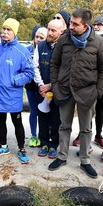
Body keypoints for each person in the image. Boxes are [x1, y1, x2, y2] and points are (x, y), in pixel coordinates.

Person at [48, 8, 103, 179]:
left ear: (85, 25)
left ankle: (85, 160)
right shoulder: (64, 40)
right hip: (65, 90)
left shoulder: (98, 43)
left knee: (86, 129)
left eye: (75, 24)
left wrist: (98, 92)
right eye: (70, 23)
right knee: (64, 126)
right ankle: (62, 157)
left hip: (88, 92)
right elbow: (54, 63)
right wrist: (56, 85)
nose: (71, 26)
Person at [73, 14, 103, 158]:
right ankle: (86, 143)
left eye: (99, 24)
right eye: (94, 24)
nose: (96, 26)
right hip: (90, 85)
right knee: (89, 116)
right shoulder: (89, 38)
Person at [0, 18, 34, 164]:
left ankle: (21, 148)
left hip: (12, 95)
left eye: (9, 30)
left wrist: (14, 80)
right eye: (4, 29)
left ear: (15, 32)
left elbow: (29, 73)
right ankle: (3, 146)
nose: (5, 32)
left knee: (17, 123)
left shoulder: (21, 51)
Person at [33, 19, 64, 158]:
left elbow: (65, 70)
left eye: (53, 30)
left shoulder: (64, 47)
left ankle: (53, 145)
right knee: (42, 117)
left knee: (55, 119)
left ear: (61, 32)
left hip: (57, 90)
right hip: (42, 90)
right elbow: (35, 66)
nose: (49, 33)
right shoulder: (40, 46)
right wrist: (41, 85)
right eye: (48, 29)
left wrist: (51, 85)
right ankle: (44, 143)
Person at [26, 26, 48, 147]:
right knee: (33, 111)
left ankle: (44, 136)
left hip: (44, 86)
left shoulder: (47, 50)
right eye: (37, 37)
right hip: (30, 86)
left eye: (41, 37)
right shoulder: (28, 50)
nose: (38, 39)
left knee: (44, 112)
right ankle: (34, 135)